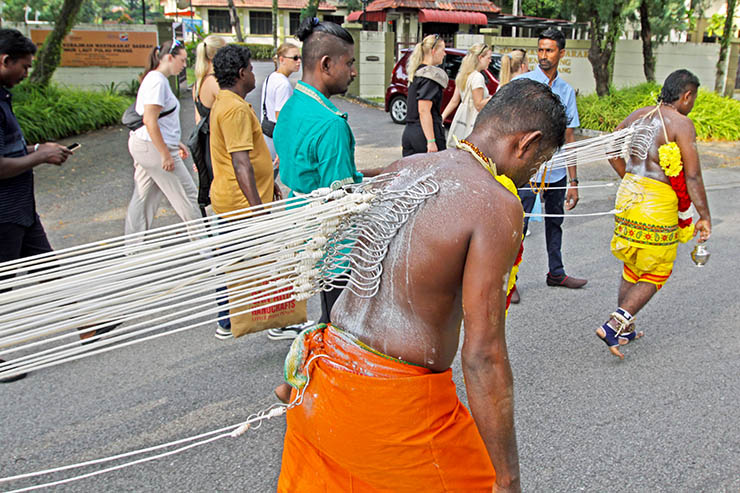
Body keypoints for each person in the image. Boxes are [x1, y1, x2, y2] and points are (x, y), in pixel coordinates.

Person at [277, 78, 567, 492]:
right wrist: (507, 478)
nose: (529, 176)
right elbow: (483, 356)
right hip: (393, 414)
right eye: (537, 164)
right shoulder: (496, 204)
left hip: (320, 388)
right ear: (527, 143)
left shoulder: (402, 169)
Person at [272, 18, 382, 340]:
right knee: (341, 326)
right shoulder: (331, 124)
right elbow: (341, 198)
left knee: (328, 315)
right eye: (349, 63)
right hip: (334, 246)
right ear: (326, 64)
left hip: (303, 228)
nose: (354, 71)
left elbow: (316, 176)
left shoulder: (292, 106)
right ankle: (312, 381)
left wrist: (369, 174)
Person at [598, 69, 711, 359]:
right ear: (686, 96)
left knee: (633, 262)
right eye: (693, 98)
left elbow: (611, 147)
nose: (693, 103)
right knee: (659, 268)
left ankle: (625, 326)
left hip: (628, 196)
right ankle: (614, 324)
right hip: (655, 202)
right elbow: (693, 176)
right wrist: (704, 216)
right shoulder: (681, 124)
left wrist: (628, 177)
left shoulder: (639, 115)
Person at [0, 29, 73, 383]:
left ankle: (84, 323)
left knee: (46, 266)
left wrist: (35, 149)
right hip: (4, 212)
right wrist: (40, 156)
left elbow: (9, 150)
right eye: (25, 67)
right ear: (5, 61)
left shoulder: (3, 97)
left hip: (20, 209)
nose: (27, 74)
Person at [208, 44, 283, 339]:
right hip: (241, 204)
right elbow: (241, 163)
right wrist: (257, 212)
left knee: (234, 259)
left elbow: (248, 159)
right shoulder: (235, 109)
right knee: (263, 261)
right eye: (251, 69)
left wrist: (269, 182)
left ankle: (227, 319)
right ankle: (278, 320)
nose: (254, 74)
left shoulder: (225, 101)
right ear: (241, 73)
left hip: (234, 199)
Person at [513, 28, 586, 298]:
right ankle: (510, 280)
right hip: (527, 171)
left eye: (549, 50)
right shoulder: (525, 85)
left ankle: (556, 272)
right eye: (540, 50)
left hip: (555, 171)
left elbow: (570, 136)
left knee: (555, 222)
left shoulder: (566, 91)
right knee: (518, 226)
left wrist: (573, 180)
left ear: (561, 54)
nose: (543, 55)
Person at [124, 39, 201, 242]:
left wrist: (175, 143)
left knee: (144, 197)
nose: (184, 65)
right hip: (153, 148)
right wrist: (165, 153)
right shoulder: (157, 81)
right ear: (169, 58)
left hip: (147, 145)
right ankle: (205, 248)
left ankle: (133, 246)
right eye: (182, 60)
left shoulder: (155, 79)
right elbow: (150, 120)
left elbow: (160, 120)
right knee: (187, 195)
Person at [189, 35, 227, 216]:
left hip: (206, 144)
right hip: (218, 145)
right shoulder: (214, 82)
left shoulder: (198, 83)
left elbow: (198, 121)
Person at [401, 34, 448, 156]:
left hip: (410, 132)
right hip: (424, 135)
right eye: (443, 50)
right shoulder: (430, 76)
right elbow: (423, 110)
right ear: (433, 51)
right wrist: (431, 141)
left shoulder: (417, 73)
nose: (445, 53)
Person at [441, 42, 493, 148]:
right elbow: (478, 105)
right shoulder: (478, 77)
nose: (490, 61)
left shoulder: (464, 74)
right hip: (473, 122)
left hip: (460, 119)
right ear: (480, 57)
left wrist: (442, 117)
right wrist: (493, 98)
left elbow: (454, 101)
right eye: (488, 58)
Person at [260, 42, 301, 161]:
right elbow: (281, 118)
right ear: (282, 59)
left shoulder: (271, 77)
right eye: (294, 58)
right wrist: (282, 148)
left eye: (299, 57)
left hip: (266, 134)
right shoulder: (283, 84)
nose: (298, 61)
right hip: (275, 139)